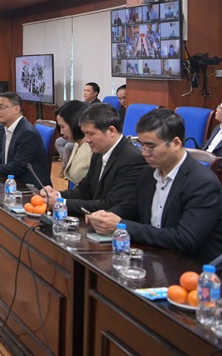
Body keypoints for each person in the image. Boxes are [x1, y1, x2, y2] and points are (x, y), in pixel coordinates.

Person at [87, 108, 222, 262]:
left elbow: (185, 239)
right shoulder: (148, 173)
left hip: (190, 265)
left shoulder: (202, 183)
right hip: (153, 254)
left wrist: (121, 225)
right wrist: (106, 216)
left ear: (176, 143)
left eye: (151, 147)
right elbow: (130, 207)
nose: (144, 153)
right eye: (142, 146)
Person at [42, 103, 146, 215]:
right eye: (85, 134)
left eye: (90, 134)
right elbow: (85, 190)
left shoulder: (133, 159)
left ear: (111, 131)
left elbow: (111, 205)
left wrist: (62, 202)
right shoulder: (99, 152)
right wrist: (57, 195)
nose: (87, 140)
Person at [0, 92, 50, 186]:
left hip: (30, 187)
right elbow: (4, 156)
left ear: (16, 109)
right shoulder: (9, 127)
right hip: (12, 182)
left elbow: (16, 167)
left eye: (1, 107)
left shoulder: (27, 133)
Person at [55, 100, 92, 186]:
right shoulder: (76, 144)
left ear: (74, 123)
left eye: (63, 127)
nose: (61, 132)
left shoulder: (92, 149)